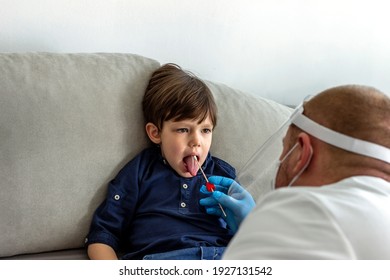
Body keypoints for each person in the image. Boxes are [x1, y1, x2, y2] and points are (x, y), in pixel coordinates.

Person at [200, 85, 390, 259]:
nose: (280, 160)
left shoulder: (309, 211)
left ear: (301, 152)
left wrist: (263, 228)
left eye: (285, 148)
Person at [85, 63, 236, 260]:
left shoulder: (223, 175)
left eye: (205, 130)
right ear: (155, 133)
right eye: (183, 129)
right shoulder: (140, 172)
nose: (197, 142)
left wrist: (245, 220)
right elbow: (102, 237)